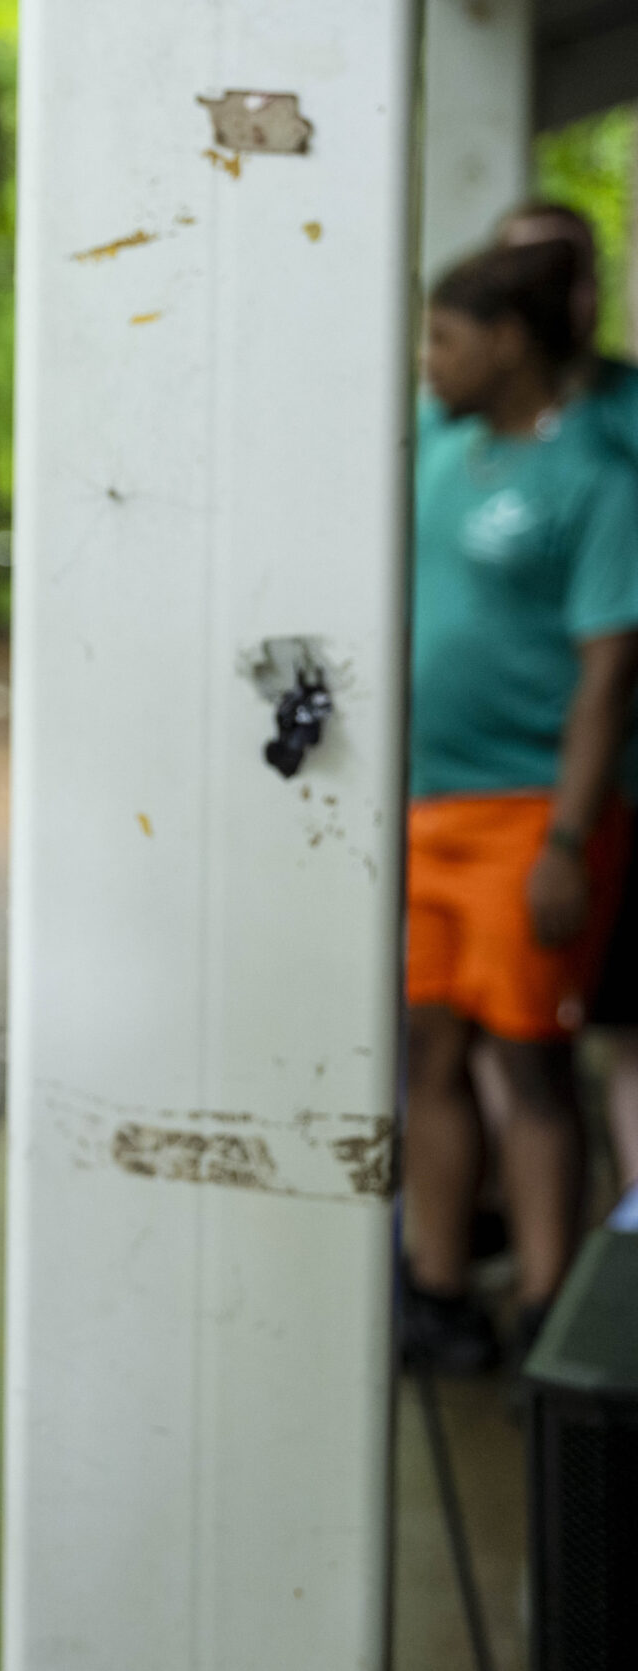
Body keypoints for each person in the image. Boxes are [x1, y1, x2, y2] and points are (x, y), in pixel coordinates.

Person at [403, 240, 638, 1373]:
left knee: (527, 1065)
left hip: (524, 816)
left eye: (442, 337)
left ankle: (548, 1308)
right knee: (425, 1054)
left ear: (505, 344)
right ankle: (436, 1287)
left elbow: (607, 673)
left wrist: (564, 841)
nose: (425, 360)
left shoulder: (597, 480)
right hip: (418, 810)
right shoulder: (439, 449)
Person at [496, 202, 638, 1194]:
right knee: (498, 1036)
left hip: (606, 788)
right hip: (484, 793)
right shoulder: (454, 425)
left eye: (569, 269)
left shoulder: (615, 434)